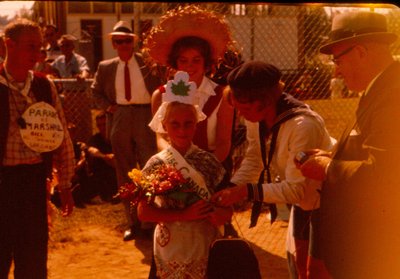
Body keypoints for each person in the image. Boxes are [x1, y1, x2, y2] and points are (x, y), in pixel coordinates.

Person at [297, 11, 400, 279]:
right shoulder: (379, 90)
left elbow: (385, 175)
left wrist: (329, 167)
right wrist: (332, 156)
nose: (336, 70)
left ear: (362, 51)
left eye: (337, 59)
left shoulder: (392, 95)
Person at [211, 61, 335, 278]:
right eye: (238, 109)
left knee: (317, 272)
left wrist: (245, 192)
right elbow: (255, 158)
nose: (242, 115)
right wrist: (231, 187)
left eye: (246, 109)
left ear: (266, 101)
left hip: (328, 203)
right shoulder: (256, 117)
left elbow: (297, 190)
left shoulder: (302, 126)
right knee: (300, 267)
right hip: (305, 203)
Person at [0, 18, 75, 278]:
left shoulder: (45, 85)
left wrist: (64, 185)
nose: (37, 54)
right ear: (8, 45)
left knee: (32, 258)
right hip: (2, 182)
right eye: (31, 47)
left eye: (40, 48)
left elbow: (62, 136)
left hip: (33, 183)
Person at [138, 71, 231, 278]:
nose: (182, 130)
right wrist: (183, 215)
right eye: (175, 124)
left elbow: (228, 211)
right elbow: (143, 212)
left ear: (196, 123)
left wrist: (219, 215)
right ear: (164, 126)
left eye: (188, 123)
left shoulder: (209, 163)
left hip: (204, 244)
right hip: (168, 247)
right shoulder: (155, 164)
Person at [91, 20, 164, 241]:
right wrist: (109, 107)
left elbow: (163, 82)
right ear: (113, 44)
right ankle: (132, 222)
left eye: (127, 40)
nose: (123, 44)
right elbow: (95, 92)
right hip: (120, 115)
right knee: (124, 170)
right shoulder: (106, 67)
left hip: (145, 114)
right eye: (118, 41)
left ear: (133, 42)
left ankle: (151, 221)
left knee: (151, 166)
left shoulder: (147, 62)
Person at [144, 5, 235, 165]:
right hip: (174, 167)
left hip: (213, 168)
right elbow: (161, 138)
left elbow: (223, 143)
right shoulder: (160, 95)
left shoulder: (222, 95)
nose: (189, 66)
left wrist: (201, 172)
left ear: (206, 62)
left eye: (196, 60)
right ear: (174, 62)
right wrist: (179, 166)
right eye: (183, 60)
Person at [85, 110, 118, 202]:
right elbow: (91, 150)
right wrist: (104, 157)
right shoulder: (96, 138)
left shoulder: (116, 136)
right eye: (99, 125)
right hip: (101, 172)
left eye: (104, 124)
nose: (102, 128)